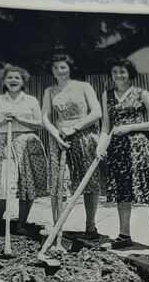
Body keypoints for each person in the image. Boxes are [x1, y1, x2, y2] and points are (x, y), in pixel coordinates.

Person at [96, 57, 149, 251]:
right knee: (122, 193)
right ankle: (124, 235)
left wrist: (130, 127)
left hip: (140, 148)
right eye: (115, 72)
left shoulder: (141, 93)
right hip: (118, 151)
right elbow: (105, 126)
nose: (118, 75)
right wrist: (100, 146)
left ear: (130, 74)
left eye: (122, 72)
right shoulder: (107, 95)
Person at [41, 53, 103, 238]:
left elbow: (97, 112)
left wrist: (74, 127)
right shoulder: (50, 91)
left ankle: (90, 227)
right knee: (59, 183)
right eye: (55, 68)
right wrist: (56, 135)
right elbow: (45, 117)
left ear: (69, 68)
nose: (59, 71)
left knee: (89, 183)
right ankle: (57, 227)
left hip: (84, 138)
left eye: (63, 67)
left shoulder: (83, 87)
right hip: (60, 140)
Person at [0, 64, 49, 235]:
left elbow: (40, 124)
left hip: (28, 143)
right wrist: (2, 122)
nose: (13, 80)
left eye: (17, 78)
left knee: (27, 187)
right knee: (3, 186)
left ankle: (21, 224)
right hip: (5, 143)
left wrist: (20, 119)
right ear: (4, 81)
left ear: (23, 81)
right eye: (9, 77)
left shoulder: (31, 100)